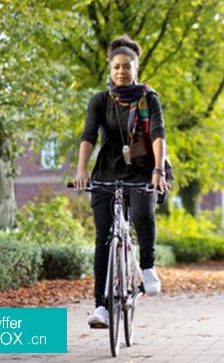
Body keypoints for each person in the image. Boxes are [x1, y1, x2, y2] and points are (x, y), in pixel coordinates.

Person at [74, 35, 170, 327]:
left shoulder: (148, 98)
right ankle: (101, 307)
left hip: (142, 171)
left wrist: (158, 171)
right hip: (107, 172)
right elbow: (89, 136)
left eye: (126, 66)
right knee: (103, 236)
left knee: (143, 213)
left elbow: (157, 133)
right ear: (110, 68)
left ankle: (147, 267)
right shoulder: (100, 101)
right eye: (116, 67)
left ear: (135, 68)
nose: (121, 72)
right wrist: (82, 169)